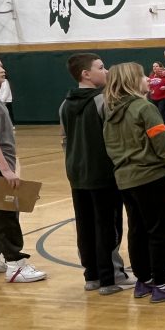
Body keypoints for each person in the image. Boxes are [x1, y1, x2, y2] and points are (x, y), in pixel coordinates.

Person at [102, 62, 165, 302]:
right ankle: (162, 283)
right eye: (142, 76)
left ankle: (144, 281)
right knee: (160, 232)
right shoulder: (144, 108)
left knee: (138, 231)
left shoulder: (110, 111)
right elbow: (162, 144)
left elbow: (109, 147)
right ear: (133, 81)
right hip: (150, 177)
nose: (147, 79)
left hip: (125, 179)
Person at [60, 53, 134, 295]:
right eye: (101, 67)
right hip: (103, 174)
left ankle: (91, 275)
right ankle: (109, 278)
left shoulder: (64, 104)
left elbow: (64, 141)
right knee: (108, 226)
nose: (107, 71)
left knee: (85, 225)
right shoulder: (103, 102)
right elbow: (115, 139)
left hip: (77, 174)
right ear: (86, 74)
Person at [0, 51, 46, 283]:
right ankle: (16, 265)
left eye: (1, 66)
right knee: (5, 216)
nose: (1, 69)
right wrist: (6, 170)